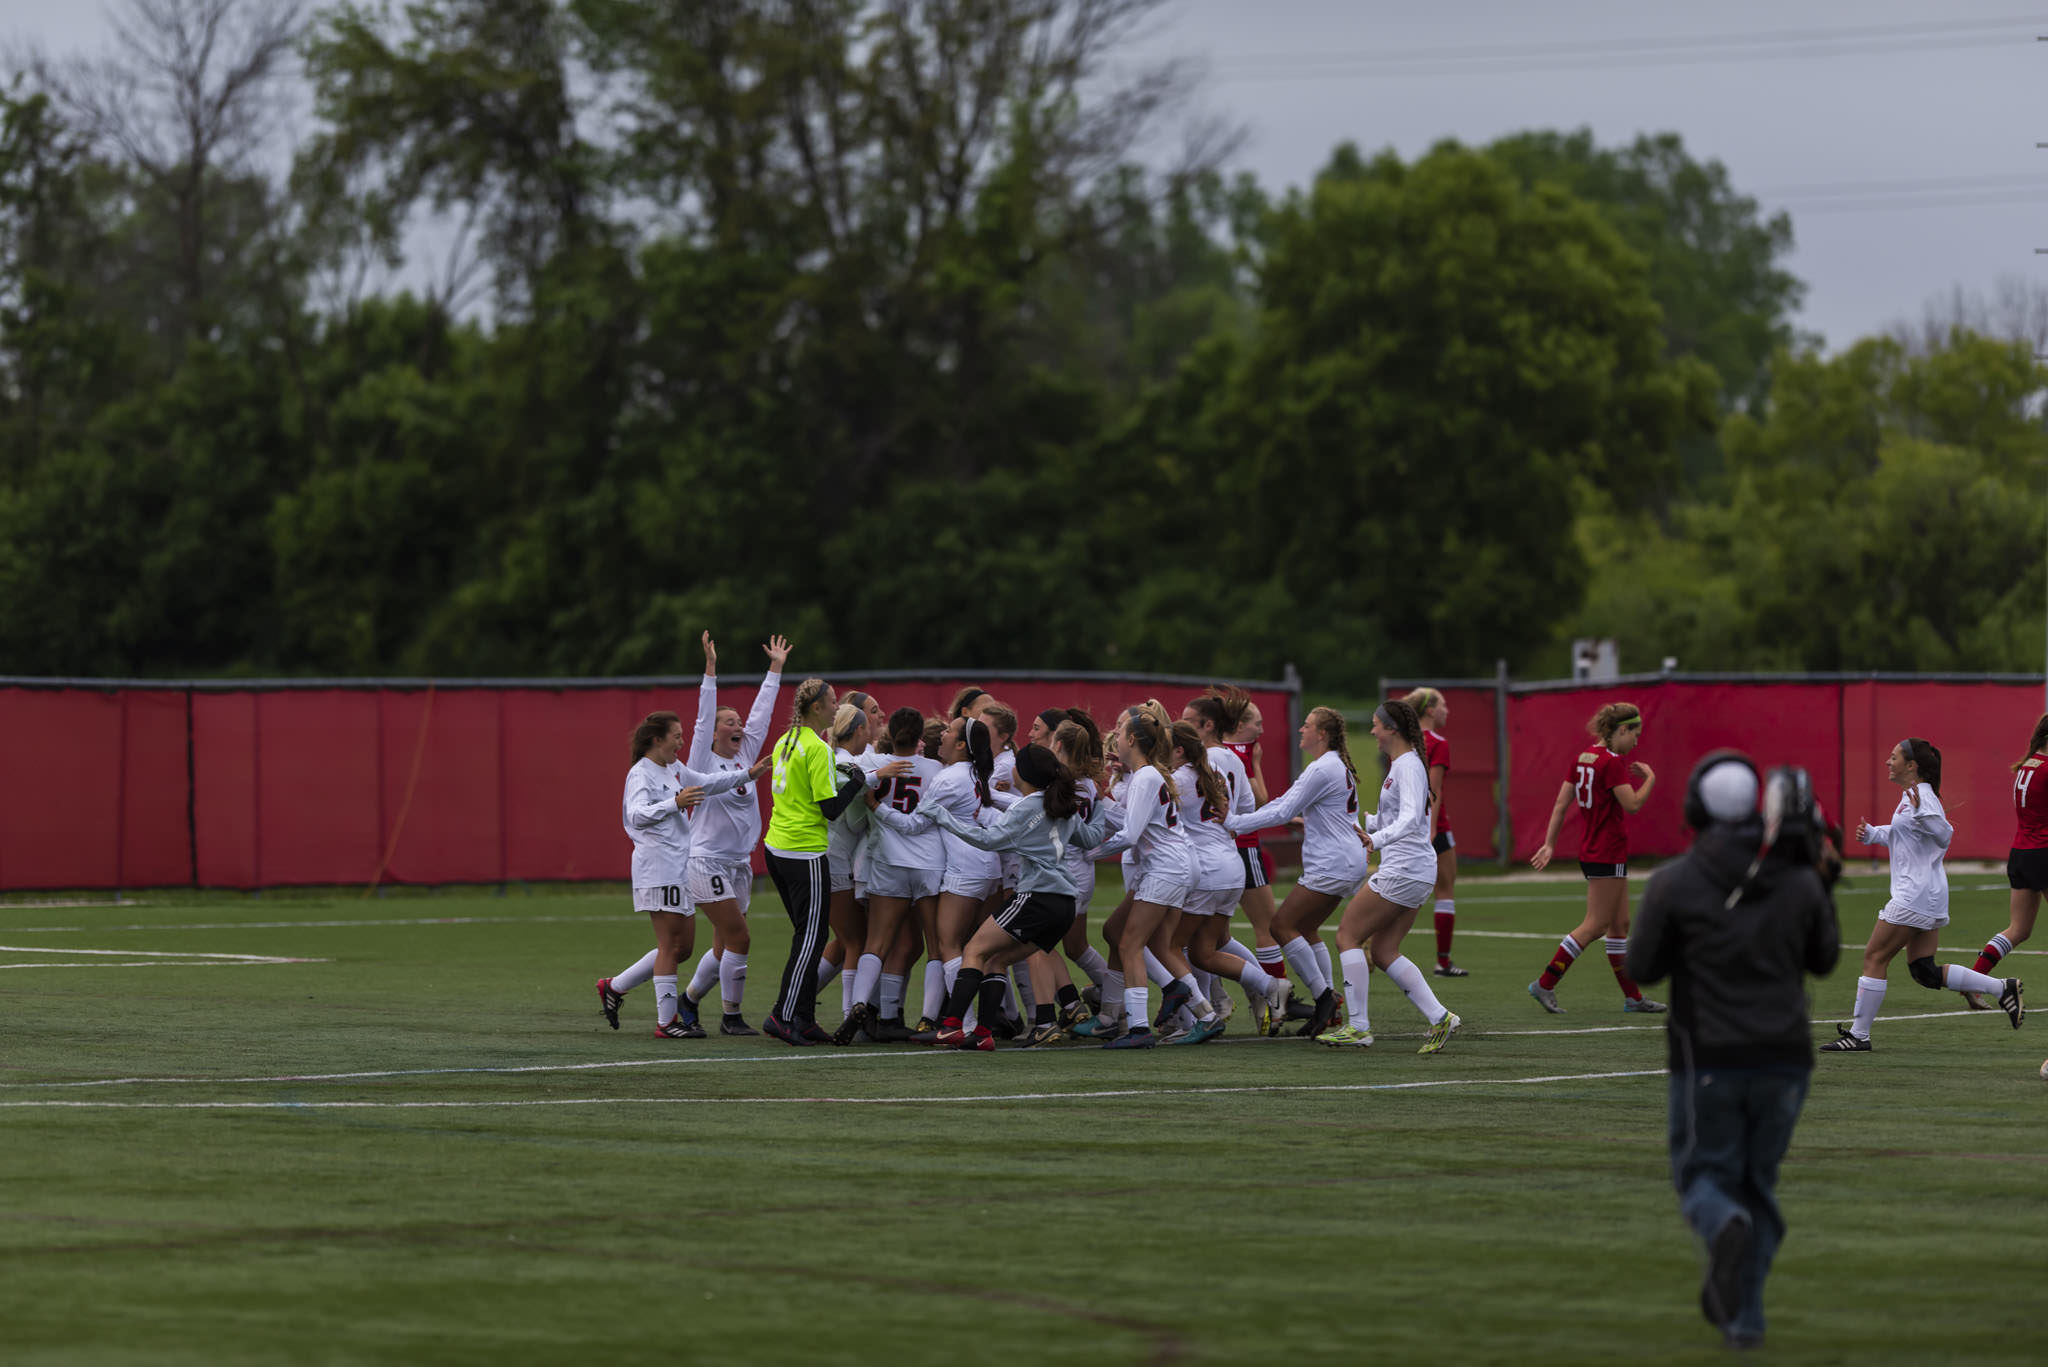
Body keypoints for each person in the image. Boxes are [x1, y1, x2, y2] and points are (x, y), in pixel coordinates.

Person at [1628, 754, 1840, 1349]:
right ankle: (1745, 1318)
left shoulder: (1675, 880)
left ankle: (1724, 1227)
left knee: (1704, 1177)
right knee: (1758, 1184)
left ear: (1696, 808)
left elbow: (1642, 967)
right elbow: (1824, 959)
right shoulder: (1797, 877)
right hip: (1786, 1058)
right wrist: (1821, 876)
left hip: (1710, 1057)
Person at [1823, 737, 2024, 1051]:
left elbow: (1944, 834)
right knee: (1924, 971)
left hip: (1913, 896)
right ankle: (2002, 988)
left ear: (1911, 766)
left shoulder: (1922, 797)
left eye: (1893, 757)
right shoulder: (1913, 797)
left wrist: (1922, 814)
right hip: (1927, 894)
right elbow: (1907, 834)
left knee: (1875, 957)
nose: (1888, 762)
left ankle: (1858, 1035)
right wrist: (1876, 833)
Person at [916, 744, 1109, 1049]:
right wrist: (1099, 809)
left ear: (1025, 774)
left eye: (1016, 765)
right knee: (996, 961)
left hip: (1036, 896)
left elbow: (989, 840)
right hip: (1065, 903)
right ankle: (982, 1035)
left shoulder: (1026, 807)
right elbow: (1090, 838)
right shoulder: (1061, 806)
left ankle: (951, 1025)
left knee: (974, 950)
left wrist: (942, 816)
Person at [605, 711, 765, 1037]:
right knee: (670, 946)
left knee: (684, 949)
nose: (681, 741)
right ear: (656, 740)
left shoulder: (674, 768)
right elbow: (635, 816)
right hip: (657, 866)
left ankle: (614, 986)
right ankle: (667, 1023)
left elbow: (707, 781)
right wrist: (674, 803)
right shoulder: (641, 774)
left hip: (678, 866)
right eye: (676, 736)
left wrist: (747, 775)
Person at [1320, 700, 1462, 1054]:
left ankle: (1358, 1028)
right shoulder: (1404, 764)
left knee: (1347, 936)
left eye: (1375, 725)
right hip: (1413, 869)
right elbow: (1396, 818)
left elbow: (1413, 818)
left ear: (1391, 729)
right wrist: (1363, 825)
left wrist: (1376, 839)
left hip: (1405, 869)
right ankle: (1440, 1017)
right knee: (1383, 950)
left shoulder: (1409, 766)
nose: (1371, 731)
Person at [1223, 707, 1370, 1038]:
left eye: (1307, 726)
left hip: (1334, 863)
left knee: (1281, 926)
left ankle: (1324, 999)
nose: (1301, 729)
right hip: (1345, 860)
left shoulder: (1323, 768)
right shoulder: (1332, 765)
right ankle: (1329, 1006)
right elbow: (1286, 805)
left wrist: (1234, 822)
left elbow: (1284, 810)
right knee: (1307, 928)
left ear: (1322, 734)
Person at [675, 631, 787, 1035]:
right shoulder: (702, 758)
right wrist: (710, 670)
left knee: (724, 944)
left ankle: (688, 1000)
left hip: (739, 863)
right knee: (740, 936)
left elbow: (762, 714)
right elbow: (704, 717)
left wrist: (775, 667)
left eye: (738, 722)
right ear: (715, 733)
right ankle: (731, 1016)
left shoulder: (744, 751)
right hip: (706, 860)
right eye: (730, 722)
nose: (738, 726)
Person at [1527, 702, 1666, 1015]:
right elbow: (1631, 804)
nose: (1637, 742)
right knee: (1595, 925)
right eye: (1634, 734)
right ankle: (1545, 983)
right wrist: (1651, 780)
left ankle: (1633, 997)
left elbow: (1562, 804)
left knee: (1619, 925)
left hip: (1593, 850)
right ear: (1620, 730)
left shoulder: (1583, 758)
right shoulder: (1612, 762)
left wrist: (1550, 843)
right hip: (1607, 852)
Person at [760, 678, 874, 1046]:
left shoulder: (786, 740)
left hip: (777, 847)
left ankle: (804, 1018)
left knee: (807, 936)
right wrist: (857, 781)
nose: (836, 706)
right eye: (831, 702)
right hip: (803, 850)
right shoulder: (817, 747)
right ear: (817, 708)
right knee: (811, 939)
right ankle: (784, 1015)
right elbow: (831, 810)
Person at [1966, 712, 2048, 1007]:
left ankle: (1973, 981)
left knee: (2019, 930)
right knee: (2018, 929)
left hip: (2021, 853)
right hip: (2043, 853)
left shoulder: (2028, 765)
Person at [1404, 686, 1467, 977]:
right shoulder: (1437, 742)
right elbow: (1435, 789)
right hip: (1433, 825)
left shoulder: (1406, 740)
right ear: (1429, 710)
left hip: (1403, 823)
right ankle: (1443, 961)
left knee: (1400, 887)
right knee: (1445, 888)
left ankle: (1371, 936)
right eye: (1442, 705)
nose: (1447, 710)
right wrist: (1431, 829)